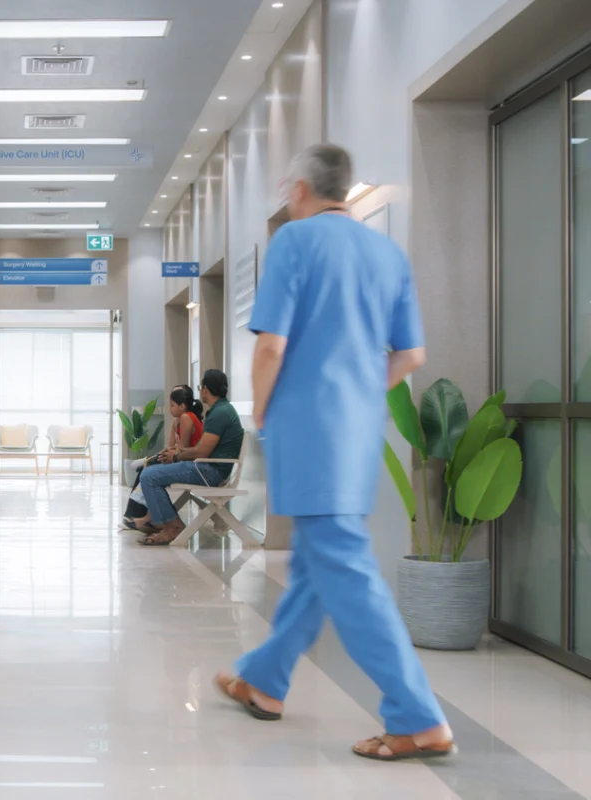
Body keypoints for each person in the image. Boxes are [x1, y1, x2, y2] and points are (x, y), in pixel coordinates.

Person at [214, 144, 455, 762]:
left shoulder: (295, 244)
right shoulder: (387, 252)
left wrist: (264, 406)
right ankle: (264, 680)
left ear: (299, 189)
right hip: (356, 429)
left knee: (341, 563)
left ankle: (418, 716)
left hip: (307, 426)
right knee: (319, 560)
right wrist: (357, 389)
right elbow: (411, 356)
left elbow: (271, 346)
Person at [127, 369, 244, 545]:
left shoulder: (220, 413)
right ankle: (162, 522)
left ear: (205, 389)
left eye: (200, 387)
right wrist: (176, 454)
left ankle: (171, 526)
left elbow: (201, 452)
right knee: (151, 472)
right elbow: (200, 449)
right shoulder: (220, 410)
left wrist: (176, 456)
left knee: (149, 475)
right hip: (207, 467)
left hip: (210, 471)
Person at [121, 386, 203, 522]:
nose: (170, 409)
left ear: (182, 406)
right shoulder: (181, 419)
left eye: (172, 405)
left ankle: (135, 515)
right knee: (145, 469)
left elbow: (183, 449)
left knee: (147, 470)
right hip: (182, 459)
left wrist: (169, 452)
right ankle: (134, 514)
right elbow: (172, 445)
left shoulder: (187, 418)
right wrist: (173, 427)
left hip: (188, 463)